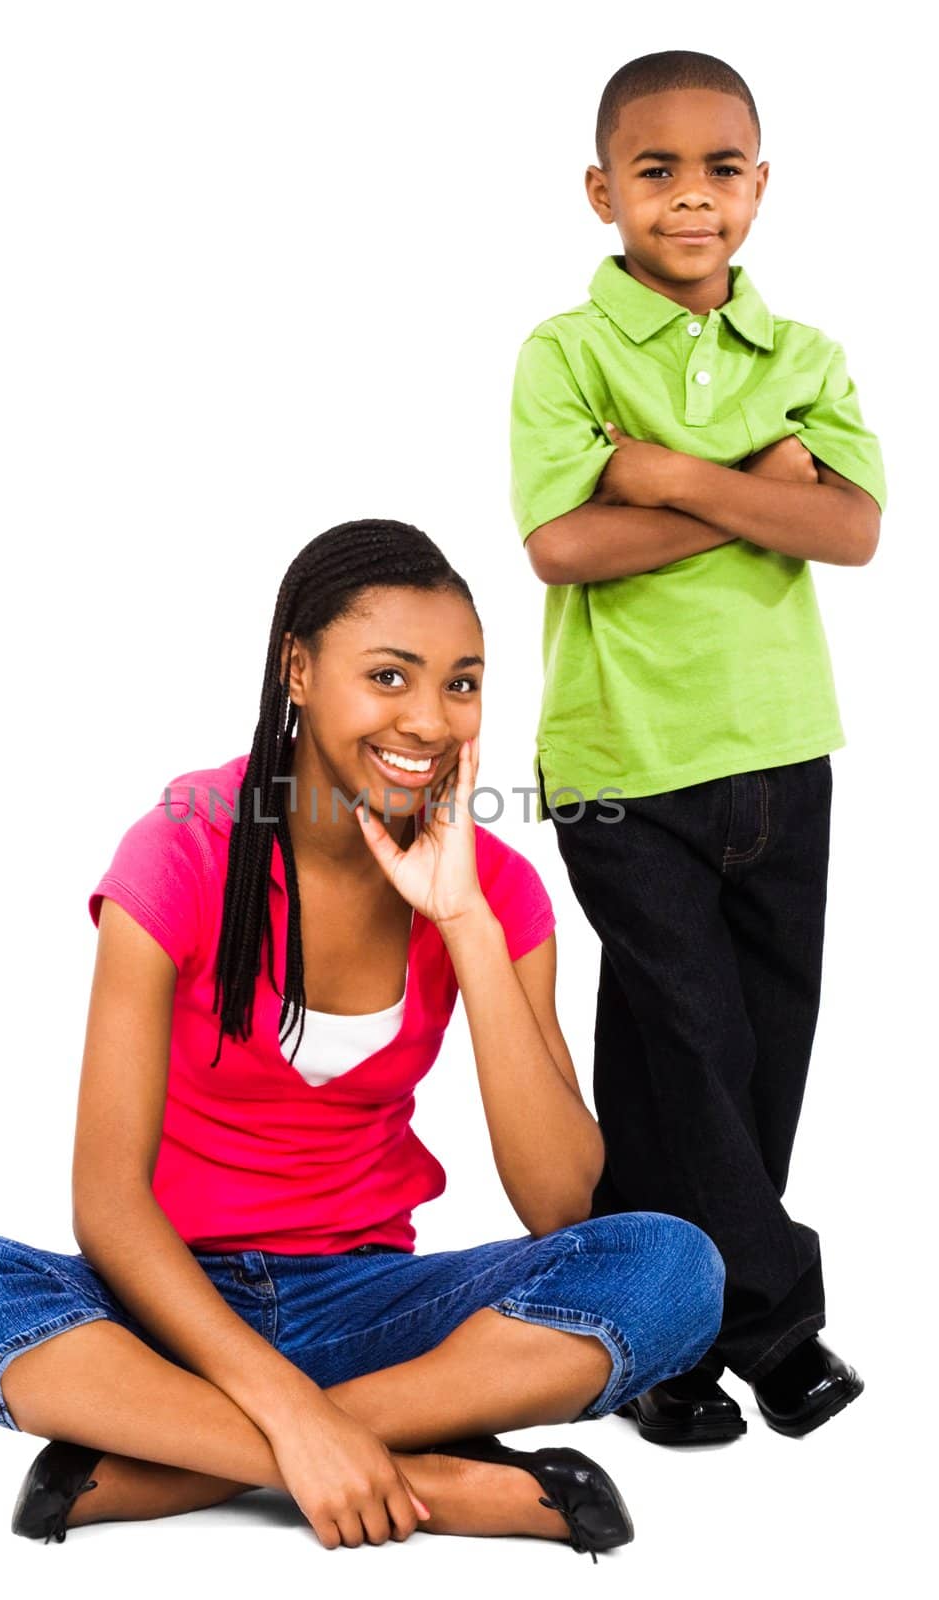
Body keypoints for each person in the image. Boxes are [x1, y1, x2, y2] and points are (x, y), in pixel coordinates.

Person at [0, 519, 723, 1556]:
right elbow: (107, 1203)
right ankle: (420, 1477)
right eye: (389, 675)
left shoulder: (495, 890)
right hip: (169, 1303)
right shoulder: (182, 846)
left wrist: (461, 920)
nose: (428, 717)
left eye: (461, 684)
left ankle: (182, 1461)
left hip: (373, 1302)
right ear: (299, 669)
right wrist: (286, 1403)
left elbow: (559, 1203)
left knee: (671, 1266)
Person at [509, 52, 887, 1446]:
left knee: (744, 1057)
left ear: (761, 186)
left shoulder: (807, 358)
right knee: (690, 1032)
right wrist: (750, 490)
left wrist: (663, 472)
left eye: (722, 167)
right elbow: (563, 544)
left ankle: (654, 1339)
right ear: (604, 191)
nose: (692, 195)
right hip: (625, 759)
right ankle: (776, 1326)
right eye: (656, 170)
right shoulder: (567, 351)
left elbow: (851, 527)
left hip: (783, 750)